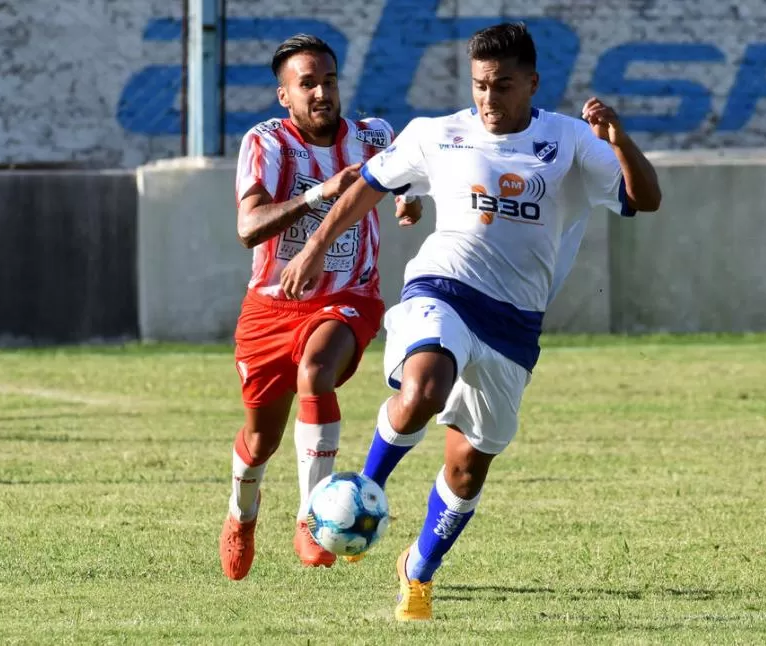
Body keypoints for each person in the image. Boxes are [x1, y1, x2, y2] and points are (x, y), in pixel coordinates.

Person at [280, 22, 661, 618]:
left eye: (503, 85)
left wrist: (618, 141)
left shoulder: (569, 140)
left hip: (515, 322)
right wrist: (311, 247)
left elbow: (645, 198)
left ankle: (419, 568)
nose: (488, 98)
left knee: (466, 464)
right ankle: (358, 490)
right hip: (443, 288)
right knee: (424, 387)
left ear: (531, 84)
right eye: (480, 84)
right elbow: (369, 186)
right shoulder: (437, 134)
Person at [220, 33, 422, 579]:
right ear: (284, 95)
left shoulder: (375, 135)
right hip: (270, 307)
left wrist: (408, 199)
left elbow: (410, 176)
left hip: (349, 296)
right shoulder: (266, 142)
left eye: (328, 81)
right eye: (306, 83)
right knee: (260, 441)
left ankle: (312, 519)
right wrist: (320, 193)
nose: (321, 93)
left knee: (316, 373)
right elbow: (248, 229)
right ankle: (241, 515)